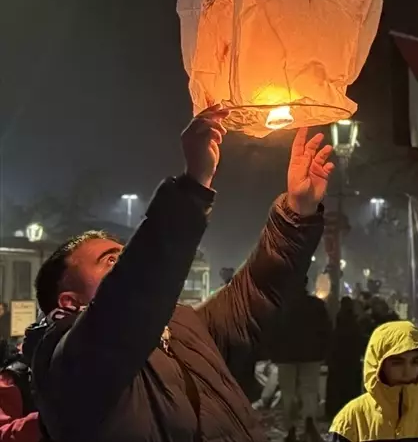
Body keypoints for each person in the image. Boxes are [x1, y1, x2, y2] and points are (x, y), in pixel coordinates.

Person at [26, 108, 334, 442]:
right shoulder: (65, 367)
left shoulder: (184, 329)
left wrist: (296, 212)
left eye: (125, 255)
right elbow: (131, 293)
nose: (127, 263)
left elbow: (257, 292)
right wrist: (193, 186)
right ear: (69, 300)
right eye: (111, 260)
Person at [327, 321, 418, 442]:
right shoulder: (352, 418)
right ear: (378, 364)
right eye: (397, 363)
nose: (407, 371)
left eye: (415, 362)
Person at [267, 280, 332, 440]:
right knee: (309, 390)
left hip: (286, 356)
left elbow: (272, 331)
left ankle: (291, 429)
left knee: (288, 392)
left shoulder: (280, 307)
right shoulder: (316, 306)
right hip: (311, 355)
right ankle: (310, 423)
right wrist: (323, 352)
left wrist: (273, 353)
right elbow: (326, 330)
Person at [326, 296, 369, 419]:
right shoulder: (355, 323)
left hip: (338, 361)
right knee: (350, 388)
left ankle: (335, 410)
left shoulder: (338, 321)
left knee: (337, 387)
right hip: (352, 361)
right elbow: (359, 342)